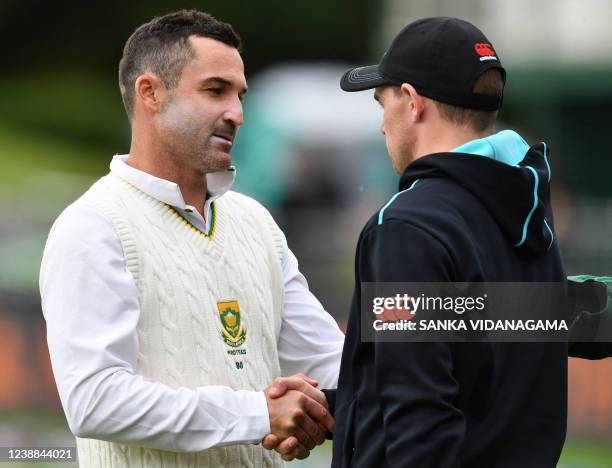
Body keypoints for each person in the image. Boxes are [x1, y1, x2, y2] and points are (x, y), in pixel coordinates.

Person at [39, 10, 343, 467]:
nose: (237, 114)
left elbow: (329, 360)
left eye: (240, 95)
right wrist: (261, 414)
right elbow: (95, 401)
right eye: (215, 90)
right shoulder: (93, 226)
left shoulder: (256, 222)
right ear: (150, 93)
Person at [266, 17, 575, 466]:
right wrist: (339, 409)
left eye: (381, 104)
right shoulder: (529, 211)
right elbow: (474, 367)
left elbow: (420, 416)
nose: (381, 127)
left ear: (411, 102)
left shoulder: (408, 225)